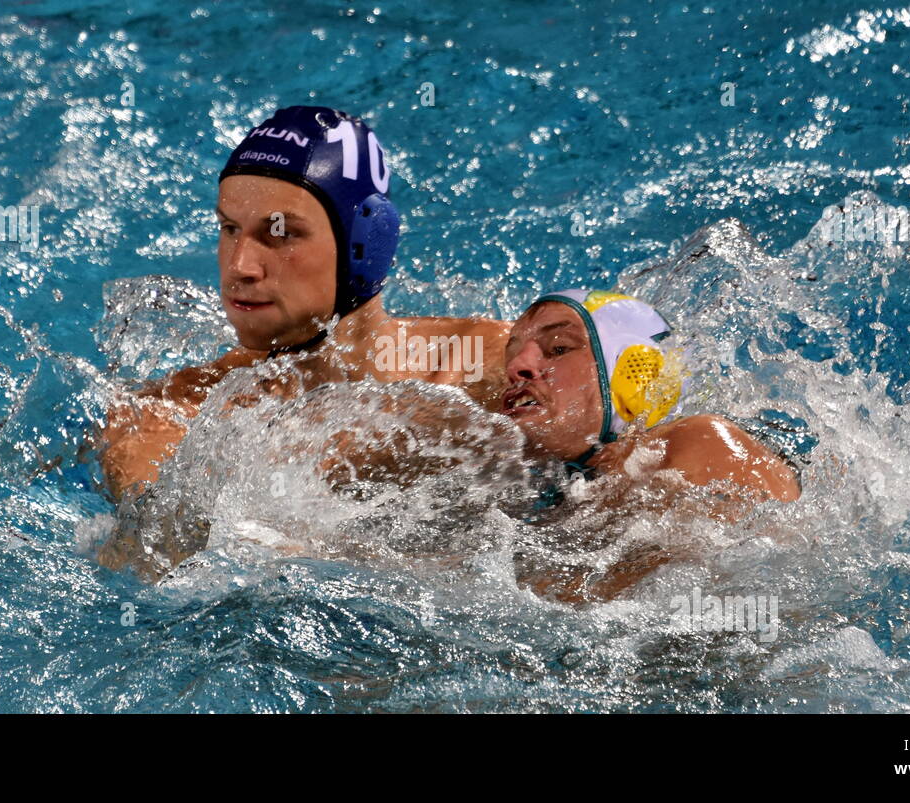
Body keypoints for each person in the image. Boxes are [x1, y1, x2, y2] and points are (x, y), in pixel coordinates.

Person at [97, 106, 512, 507]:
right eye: (230, 228)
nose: (240, 266)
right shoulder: (173, 413)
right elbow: (155, 539)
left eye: (280, 233)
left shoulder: (483, 363)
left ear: (366, 245)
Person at [498, 289, 801, 602]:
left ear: (633, 375)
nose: (516, 367)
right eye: (512, 355)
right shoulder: (546, 496)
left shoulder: (702, 442)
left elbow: (769, 577)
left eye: (559, 348)